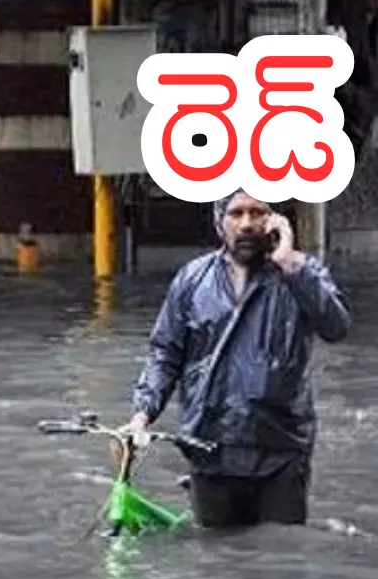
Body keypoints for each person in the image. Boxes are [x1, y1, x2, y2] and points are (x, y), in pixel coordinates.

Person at [124, 191, 351, 527]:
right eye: (237, 213)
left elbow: (337, 327)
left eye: (257, 213)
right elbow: (165, 353)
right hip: (210, 447)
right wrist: (142, 414)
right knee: (214, 561)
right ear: (220, 222)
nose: (246, 223)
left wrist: (290, 263)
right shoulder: (192, 280)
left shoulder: (301, 273)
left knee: (279, 556)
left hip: (281, 450)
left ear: (273, 220)